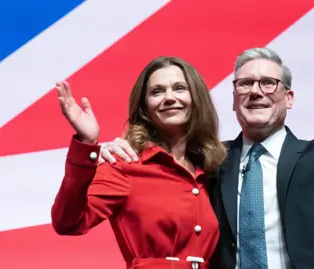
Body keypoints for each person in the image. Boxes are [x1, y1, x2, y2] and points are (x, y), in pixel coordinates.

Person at [99, 10, 314, 269]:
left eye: (269, 83)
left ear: (289, 97)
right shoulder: (210, 162)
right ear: (233, 99)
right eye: (244, 84)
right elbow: (159, 172)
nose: (256, 91)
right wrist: (116, 150)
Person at [50, 56, 228, 269]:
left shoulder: (211, 170)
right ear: (145, 108)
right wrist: (87, 144)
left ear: (197, 98)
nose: (169, 97)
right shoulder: (126, 164)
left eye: (180, 88)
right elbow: (68, 222)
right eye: (157, 91)